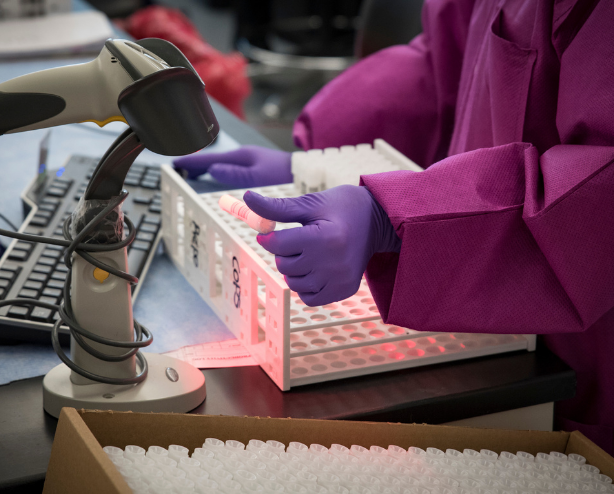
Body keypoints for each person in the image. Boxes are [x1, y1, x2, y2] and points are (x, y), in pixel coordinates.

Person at [174, 0, 614, 453]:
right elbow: (446, 62)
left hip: (582, 345)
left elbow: (599, 192)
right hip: (467, 307)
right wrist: (316, 159)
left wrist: (396, 217)